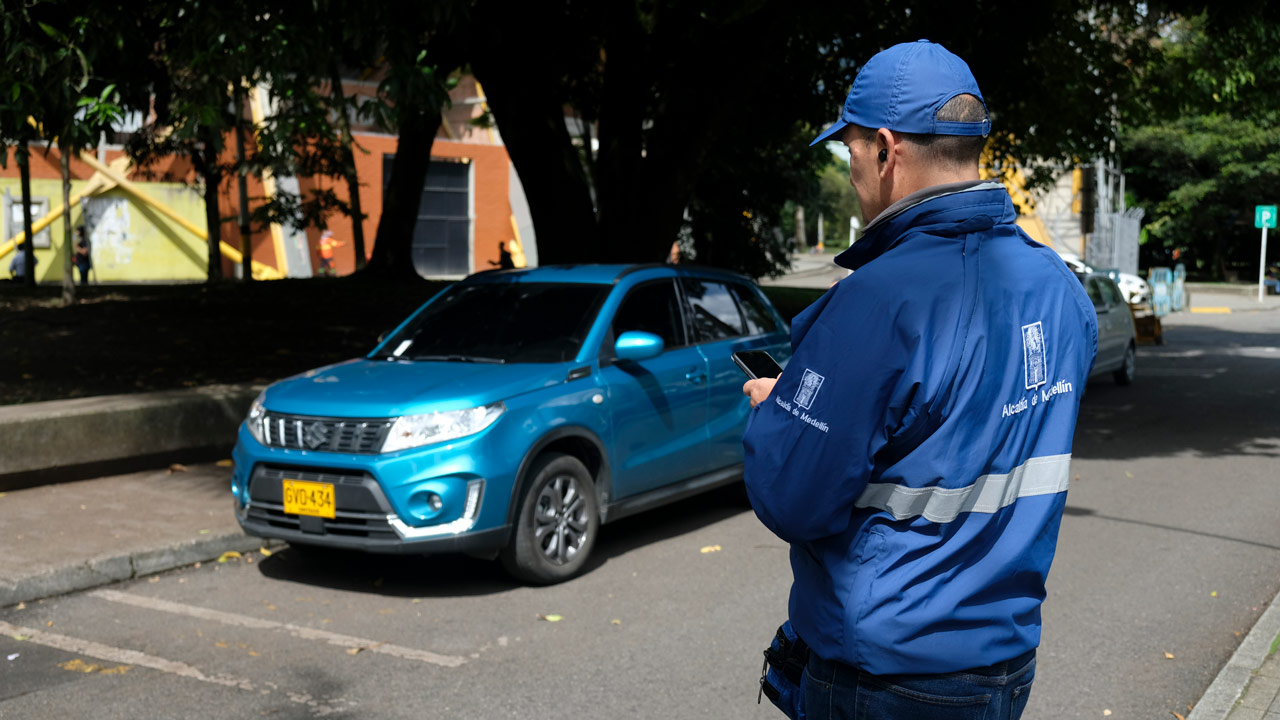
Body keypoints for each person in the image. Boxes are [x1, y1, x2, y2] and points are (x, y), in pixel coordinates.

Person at [742, 40, 1097, 719]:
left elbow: (792, 498)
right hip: (1001, 668)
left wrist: (775, 410)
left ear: (885, 148)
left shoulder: (878, 300)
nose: (851, 173)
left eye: (849, 154)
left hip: (887, 680)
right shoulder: (1058, 288)